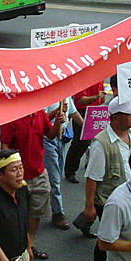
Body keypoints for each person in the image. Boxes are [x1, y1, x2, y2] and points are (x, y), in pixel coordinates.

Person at [73, 97, 131, 261]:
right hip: (109, 201)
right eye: (129, 114)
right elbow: (92, 177)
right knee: (108, 241)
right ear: (116, 117)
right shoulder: (101, 143)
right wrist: (89, 206)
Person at [0, 108, 65, 260]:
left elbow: (49, 134)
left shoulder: (40, 113)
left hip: (38, 173)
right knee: (15, 214)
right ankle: (15, 248)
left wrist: (58, 123)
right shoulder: (12, 115)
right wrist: (8, 171)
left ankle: (29, 245)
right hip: (18, 177)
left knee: (36, 212)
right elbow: (5, 145)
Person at [43, 97, 84, 230]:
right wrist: (56, 111)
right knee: (55, 177)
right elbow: (40, 120)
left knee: (58, 175)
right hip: (48, 138)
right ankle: (57, 213)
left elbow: (73, 112)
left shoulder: (66, 95)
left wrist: (86, 127)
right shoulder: (45, 94)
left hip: (62, 139)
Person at [64, 81, 106, 183]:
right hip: (83, 113)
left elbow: (102, 98)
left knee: (98, 142)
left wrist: (101, 97)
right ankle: (70, 170)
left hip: (95, 113)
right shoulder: (84, 79)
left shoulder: (100, 78)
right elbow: (80, 100)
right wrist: (96, 97)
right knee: (79, 143)